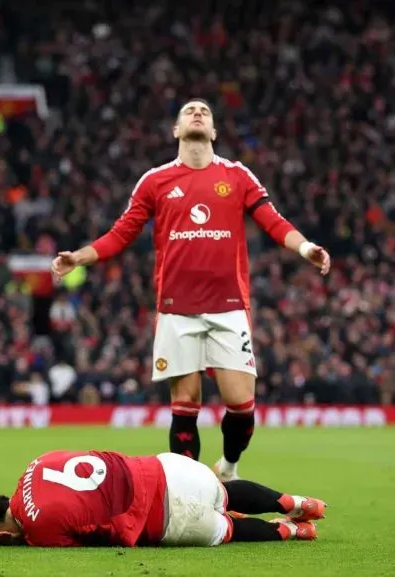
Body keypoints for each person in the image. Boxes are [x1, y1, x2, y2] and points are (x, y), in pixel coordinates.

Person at [51, 98, 332, 481]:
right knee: (185, 403)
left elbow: (273, 220)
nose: (197, 113)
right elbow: (122, 233)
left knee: (241, 404)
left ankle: (228, 466)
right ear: (176, 130)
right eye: (189, 111)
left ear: (213, 131)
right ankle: (189, 490)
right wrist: (79, 257)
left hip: (228, 306)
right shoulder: (155, 181)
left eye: (204, 112)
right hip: (176, 310)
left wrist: (305, 248)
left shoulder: (236, 175)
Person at [0, 449, 327, 547]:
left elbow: (90, 537)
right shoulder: (36, 462)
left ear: (1, 535)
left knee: (226, 528)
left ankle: (293, 531)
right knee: (224, 491)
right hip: (166, 467)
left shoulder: (38, 530)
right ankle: (295, 502)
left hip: (167, 517)